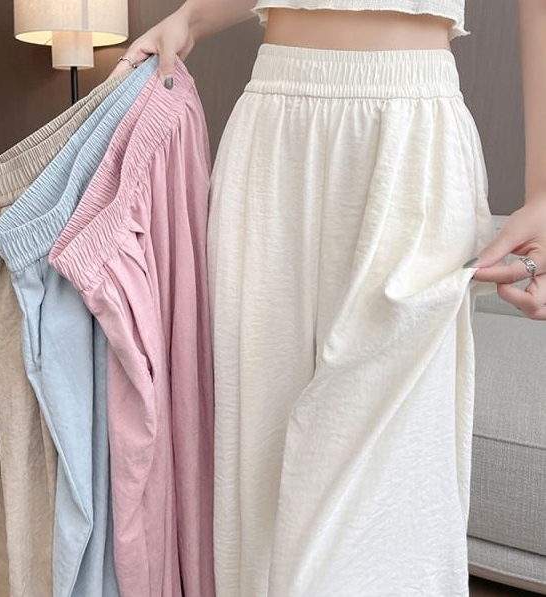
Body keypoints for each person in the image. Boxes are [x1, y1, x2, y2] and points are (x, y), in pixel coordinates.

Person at [111, 2, 546, 596]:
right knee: (256, 473)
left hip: (413, 130)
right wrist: (192, 17)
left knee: (388, 486)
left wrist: (543, 190)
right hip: (273, 125)